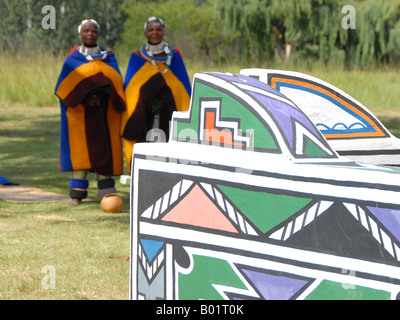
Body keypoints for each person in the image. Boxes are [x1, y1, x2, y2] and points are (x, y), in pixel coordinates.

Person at [55, 19, 126, 207]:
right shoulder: (72, 59)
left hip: (104, 113)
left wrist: (105, 93)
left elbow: (117, 82)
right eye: (85, 31)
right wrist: (85, 98)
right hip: (81, 114)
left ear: (98, 34)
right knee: (81, 153)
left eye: (93, 31)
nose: (89, 34)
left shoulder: (108, 57)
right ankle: (76, 194)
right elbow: (64, 88)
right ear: (79, 34)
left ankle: (106, 192)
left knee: (105, 150)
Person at [121, 17, 192, 172]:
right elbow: (133, 90)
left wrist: (164, 99)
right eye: (151, 30)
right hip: (144, 117)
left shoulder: (174, 58)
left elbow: (180, 89)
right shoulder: (137, 58)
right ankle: (142, 175)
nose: (155, 33)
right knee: (144, 146)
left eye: (158, 29)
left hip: (169, 114)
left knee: (167, 148)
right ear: (146, 33)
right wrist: (147, 101)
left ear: (163, 32)